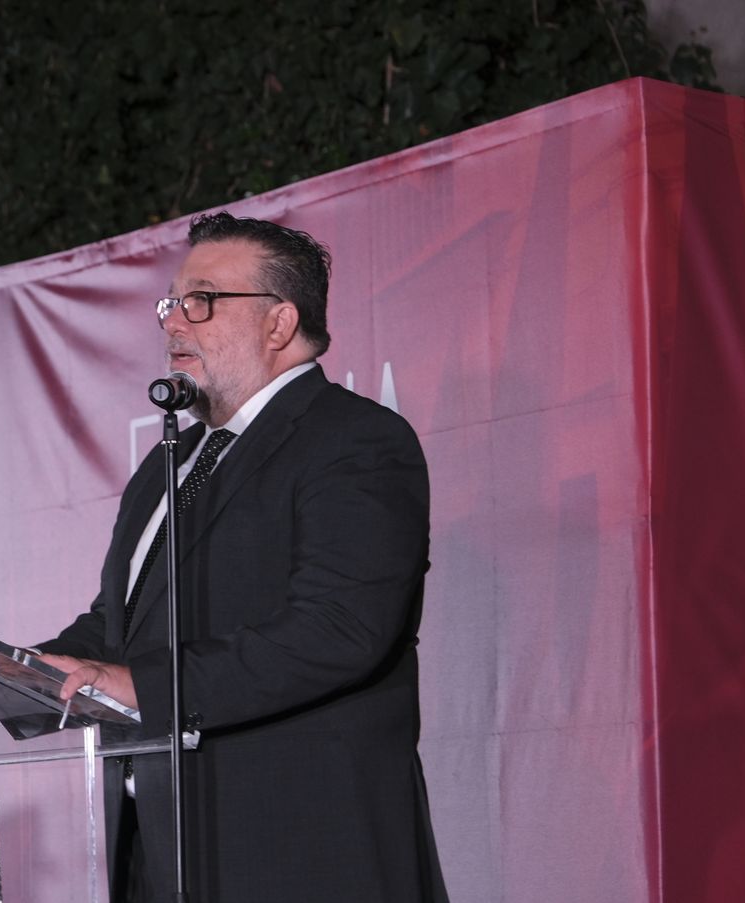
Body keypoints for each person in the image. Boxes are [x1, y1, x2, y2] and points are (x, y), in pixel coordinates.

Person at [36, 212, 448, 902]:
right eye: (170, 303)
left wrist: (149, 685)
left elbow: (338, 630)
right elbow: (118, 630)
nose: (172, 323)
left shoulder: (354, 440)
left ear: (279, 322)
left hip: (303, 854)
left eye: (200, 301)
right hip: (163, 856)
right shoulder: (166, 466)